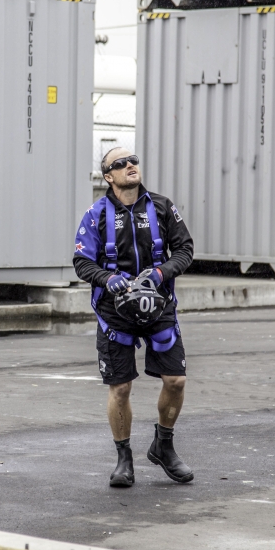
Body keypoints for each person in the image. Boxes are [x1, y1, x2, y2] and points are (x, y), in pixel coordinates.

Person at [73, 147, 195, 487]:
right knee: (121, 388)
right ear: (108, 176)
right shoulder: (95, 214)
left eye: (133, 161)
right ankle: (123, 458)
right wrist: (107, 279)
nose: (130, 165)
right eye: (120, 163)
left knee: (176, 380)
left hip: (158, 306)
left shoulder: (162, 206)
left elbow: (185, 249)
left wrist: (161, 272)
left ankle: (163, 446)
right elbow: (82, 262)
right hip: (114, 312)